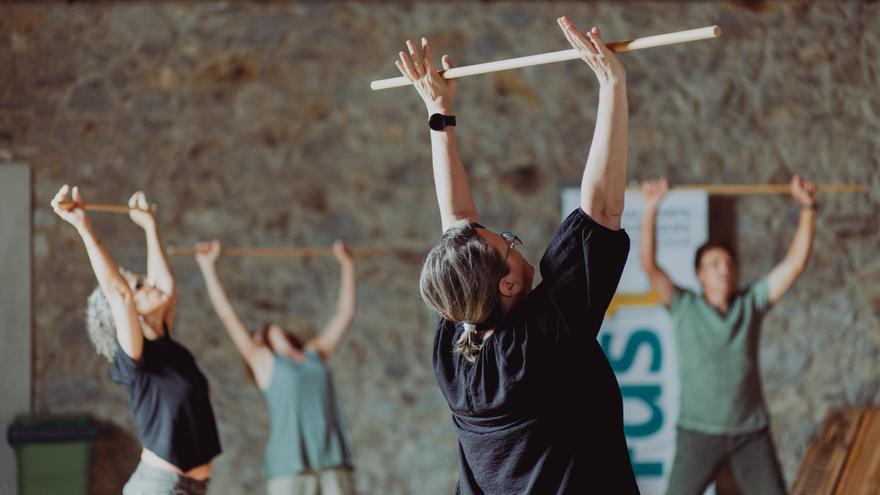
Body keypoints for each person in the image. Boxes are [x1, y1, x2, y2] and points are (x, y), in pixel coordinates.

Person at [396, 16, 639, 493]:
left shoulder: (456, 349)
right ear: (507, 285)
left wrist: (438, 113)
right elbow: (602, 209)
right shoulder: (540, 343)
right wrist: (612, 83)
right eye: (508, 244)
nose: (511, 239)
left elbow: (458, 226)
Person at [639, 176, 818, 495]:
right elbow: (650, 266)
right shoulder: (684, 306)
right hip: (696, 433)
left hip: (750, 433)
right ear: (700, 275)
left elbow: (794, 266)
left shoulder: (750, 303)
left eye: (728, 264)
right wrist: (652, 207)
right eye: (714, 264)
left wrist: (807, 206)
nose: (724, 269)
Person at [51, 185, 221, 495]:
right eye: (139, 286)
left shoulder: (165, 341)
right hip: (161, 487)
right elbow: (118, 294)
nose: (148, 283)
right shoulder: (136, 360)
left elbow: (165, 286)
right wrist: (83, 225)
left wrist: (149, 226)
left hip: (192, 488)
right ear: (130, 314)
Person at [194, 239, 357, 495]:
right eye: (259, 335)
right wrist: (207, 267)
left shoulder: (315, 354)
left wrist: (347, 264)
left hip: (333, 463)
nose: (262, 333)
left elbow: (344, 314)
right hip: (289, 468)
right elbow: (228, 316)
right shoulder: (267, 364)